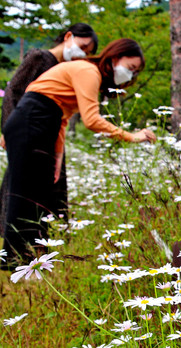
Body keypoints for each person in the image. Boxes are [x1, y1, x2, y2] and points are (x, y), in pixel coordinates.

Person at [0, 38, 156, 268]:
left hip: (42, 122)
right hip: (31, 120)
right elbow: (91, 119)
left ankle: (33, 260)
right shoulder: (88, 71)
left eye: (134, 73)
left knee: (40, 194)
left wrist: (57, 157)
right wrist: (131, 136)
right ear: (114, 58)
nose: (130, 76)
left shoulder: (86, 73)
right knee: (26, 194)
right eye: (130, 68)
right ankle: (15, 261)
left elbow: (61, 117)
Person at [0, 23, 99, 247]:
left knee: (52, 187)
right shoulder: (39, 58)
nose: (83, 55)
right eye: (82, 47)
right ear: (68, 37)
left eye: (88, 53)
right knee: (22, 188)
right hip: (27, 130)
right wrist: (8, 129)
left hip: (50, 134)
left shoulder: (67, 68)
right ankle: (19, 244)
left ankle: (48, 241)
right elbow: (14, 91)